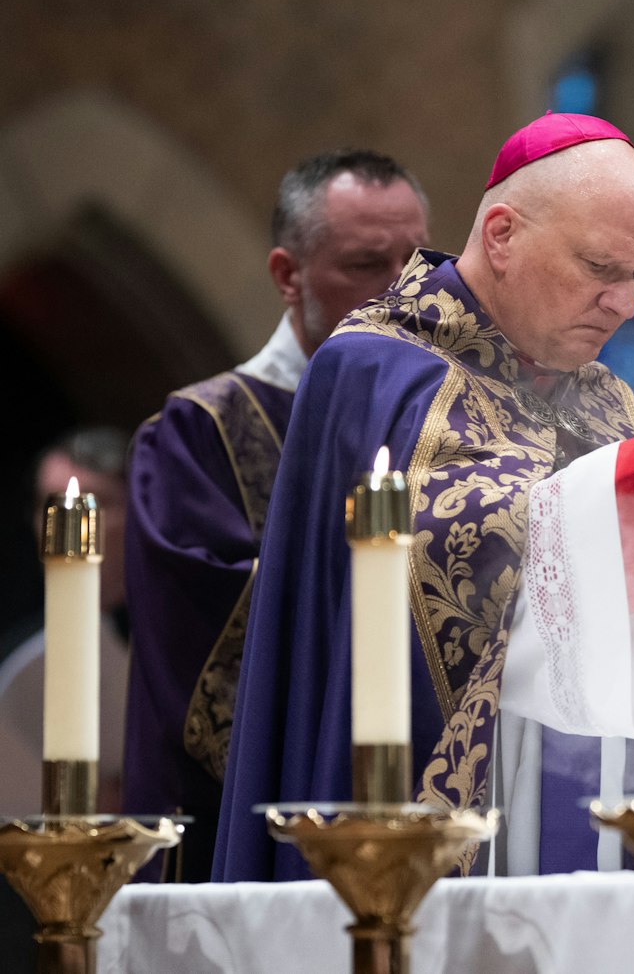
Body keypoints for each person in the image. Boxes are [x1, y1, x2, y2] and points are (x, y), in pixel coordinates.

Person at [215, 113, 634, 882]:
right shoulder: (373, 369)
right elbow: (460, 565)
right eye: (600, 267)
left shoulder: (612, 401)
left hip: (589, 839)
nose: (624, 304)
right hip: (418, 847)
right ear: (502, 234)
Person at [123, 150, 429, 881]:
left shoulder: (448, 422)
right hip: (241, 833)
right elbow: (210, 648)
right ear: (288, 276)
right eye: (364, 264)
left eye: (416, 260)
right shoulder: (198, 435)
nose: (401, 289)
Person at [0, 427, 133, 816]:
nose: (64, 526)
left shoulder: (182, 639)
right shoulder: (17, 654)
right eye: (48, 504)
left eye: (94, 505)